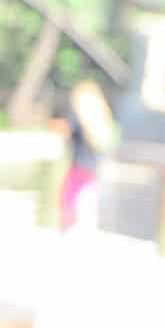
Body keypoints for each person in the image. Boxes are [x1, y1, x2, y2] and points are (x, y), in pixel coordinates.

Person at [58, 79, 117, 234]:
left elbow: (64, 131)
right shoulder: (101, 122)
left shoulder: (77, 120)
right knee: (87, 211)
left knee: (69, 209)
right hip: (93, 174)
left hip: (78, 171)